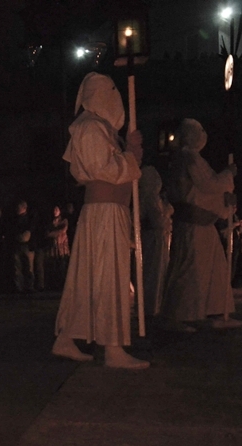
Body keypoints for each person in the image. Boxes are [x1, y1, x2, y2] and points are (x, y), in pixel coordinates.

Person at [52, 72, 149, 369]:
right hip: (105, 213)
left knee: (90, 277)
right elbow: (105, 169)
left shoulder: (97, 129)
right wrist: (131, 153)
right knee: (108, 276)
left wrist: (130, 151)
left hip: (105, 212)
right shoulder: (91, 128)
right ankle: (112, 347)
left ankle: (67, 338)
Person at [160, 118, 242, 330]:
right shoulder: (189, 158)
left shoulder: (188, 158)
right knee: (191, 270)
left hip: (203, 226)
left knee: (213, 270)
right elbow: (208, 185)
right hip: (193, 226)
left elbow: (206, 191)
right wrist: (228, 174)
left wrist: (224, 203)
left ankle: (214, 310)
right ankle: (181, 315)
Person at [138, 165, 173, 316]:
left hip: (157, 238)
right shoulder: (149, 198)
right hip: (154, 239)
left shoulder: (152, 198)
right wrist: (168, 211)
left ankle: (156, 304)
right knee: (154, 273)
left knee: (158, 272)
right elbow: (158, 221)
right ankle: (151, 306)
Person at [10, 200, 38, 293]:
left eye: (19, 207)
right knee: (17, 267)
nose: (17, 209)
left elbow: (32, 230)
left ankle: (29, 286)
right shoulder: (14, 219)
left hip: (28, 246)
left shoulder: (30, 218)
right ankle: (19, 287)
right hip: (17, 245)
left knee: (29, 267)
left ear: (24, 208)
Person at [44, 205, 69, 291]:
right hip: (53, 248)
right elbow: (47, 232)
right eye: (54, 209)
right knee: (53, 267)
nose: (55, 211)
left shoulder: (64, 221)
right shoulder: (50, 222)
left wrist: (51, 233)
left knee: (62, 267)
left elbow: (62, 230)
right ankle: (55, 286)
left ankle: (62, 286)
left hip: (61, 248)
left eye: (57, 209)